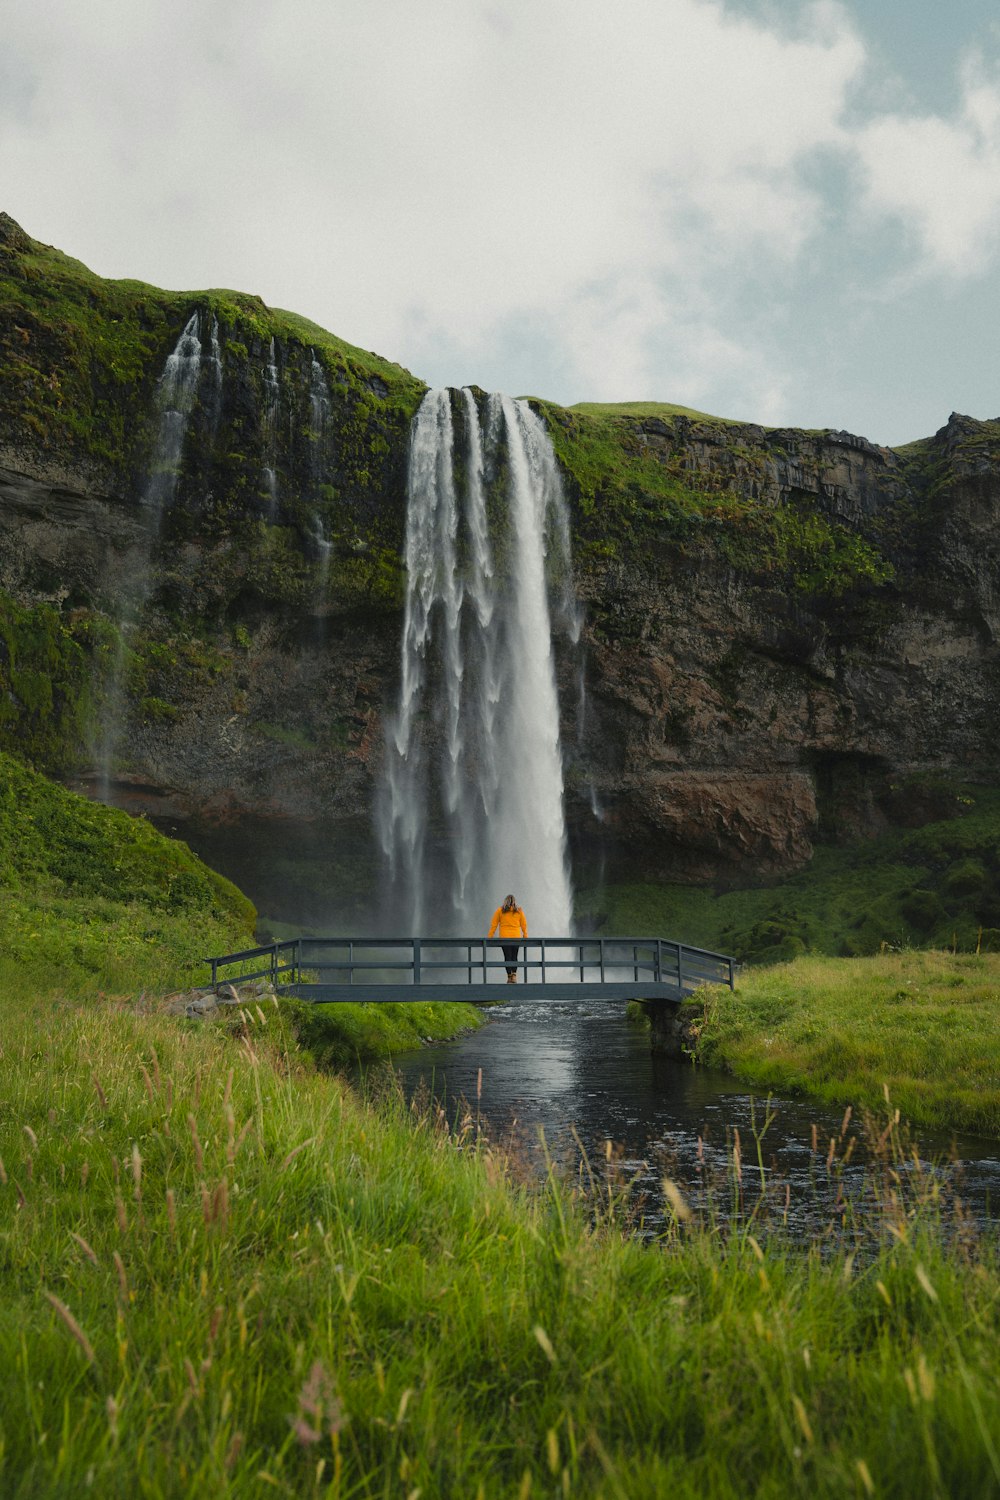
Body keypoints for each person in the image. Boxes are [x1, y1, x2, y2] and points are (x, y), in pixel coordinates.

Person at [489, 894, 527, 983]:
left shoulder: (500, 911)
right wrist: (525, 936)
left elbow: (494, 925)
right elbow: (524, 924)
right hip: (516, 938)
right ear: (514, 902)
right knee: (514, 956)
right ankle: (514, 975)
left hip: (504, 938)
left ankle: (509, 976)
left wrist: (490, 937)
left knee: (507, 957)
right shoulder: (519, 911)